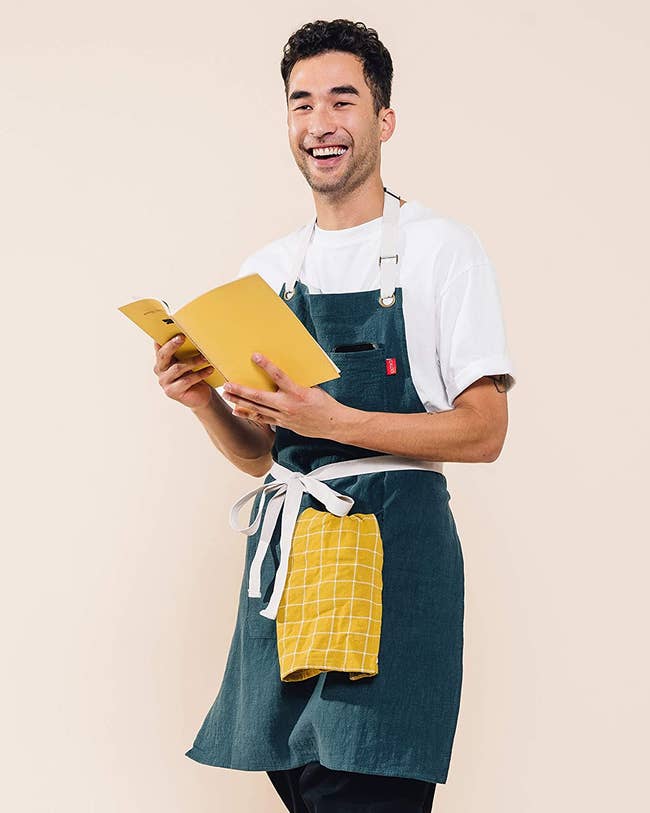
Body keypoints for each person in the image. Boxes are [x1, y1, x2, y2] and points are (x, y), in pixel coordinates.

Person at [153, 18, 516, 813]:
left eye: (342, 100)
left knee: (368, 784)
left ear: (383, 119)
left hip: (393, 561)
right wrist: (204, 399)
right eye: (301, 103)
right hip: (289, 568)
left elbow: (484, 428)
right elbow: (265, 455)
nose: (320, 123)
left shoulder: (440, 249)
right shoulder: (268, 271)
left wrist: (336, 417)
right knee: (307, 787)